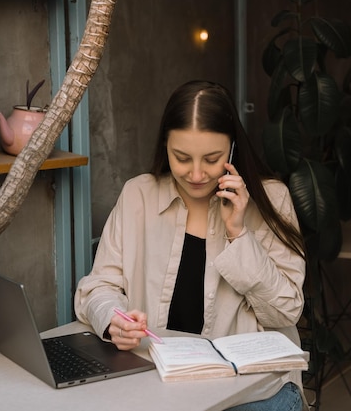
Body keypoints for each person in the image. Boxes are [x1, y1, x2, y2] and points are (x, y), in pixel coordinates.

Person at [75, 80, 307, 410]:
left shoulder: (272, 199)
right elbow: (98, 287)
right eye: (181, 158)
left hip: (250, 390)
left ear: (232, 150)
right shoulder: (138, 195)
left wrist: (238, 234)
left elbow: (285, 311)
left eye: (212, 159)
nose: (196, 174)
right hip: (159, 382)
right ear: (165, 147)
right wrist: (115, 321)